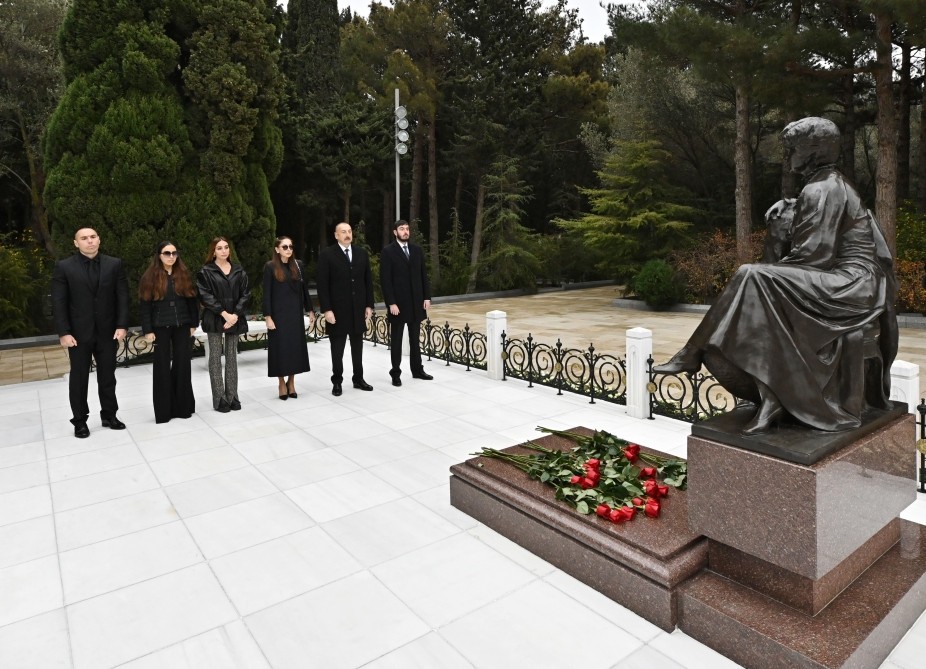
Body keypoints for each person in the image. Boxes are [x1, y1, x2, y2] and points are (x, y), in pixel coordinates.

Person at [654, 117, 896, 435]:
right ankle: (769, 395)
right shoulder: (827, 184)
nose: (788, 155)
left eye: (792, 148)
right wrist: (793, 209)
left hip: (852, 283)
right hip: (851, 281)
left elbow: (813, 258)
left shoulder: (822, 188)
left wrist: (781, 242)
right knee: (756, 280)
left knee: (752, 275)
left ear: (813, 150)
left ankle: (692, 352)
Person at [51, 227, 130, 438]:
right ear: (76, 243)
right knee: (79, 379)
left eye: (93, 237)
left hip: (108, 332)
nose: (89, 241)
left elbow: (122, 297)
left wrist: (122, 325)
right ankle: (79, 421)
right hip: (78, 334)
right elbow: (59, 302)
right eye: (84, 238)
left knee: (108, 377)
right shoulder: (64, 267)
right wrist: (64, 332)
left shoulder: (114, 264)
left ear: (99, 240)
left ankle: (109, 415)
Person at [138, 241, 199, 423]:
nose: (171, 256)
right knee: (162, 368)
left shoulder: (183, 274)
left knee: (183, 365)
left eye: (174, 253)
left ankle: (183, 408)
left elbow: (192, 301)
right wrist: (148, 330)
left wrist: (193, 323)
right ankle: (164, 411)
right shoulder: (150, 277)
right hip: (160, 328)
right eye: (167, 253)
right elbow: (145, 306)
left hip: (182, 326)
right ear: (159, 255)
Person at [316, 221, 374, 396]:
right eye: (343, 232)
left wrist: (369, 305)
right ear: (336, 235)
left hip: (358, 310)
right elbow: (322, 285)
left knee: (358, 348)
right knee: (337, 349)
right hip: (337, 311)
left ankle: (358, 379)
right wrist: (327, 309)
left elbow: (367, 281)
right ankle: (337, 381)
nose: (347, 234)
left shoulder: (361, 253)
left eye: (349, 231)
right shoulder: (327, 255)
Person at [197, 237, 250, 412]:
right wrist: (224, 314)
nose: (224, 251)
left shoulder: (238, 270)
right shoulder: (205, 271)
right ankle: (220, 398)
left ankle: (232, 396)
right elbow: (205, 296)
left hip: (234, 318)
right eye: (219, 248)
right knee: (214, 358)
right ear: (213, 251)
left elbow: (245, 294)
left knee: (232, 357)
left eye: (226, 247)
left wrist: (234, 315)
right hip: (215, 318)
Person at [379, 219, 433, 386]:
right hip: (398, 305)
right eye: (402, 229)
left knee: (415, 339)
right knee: (396, 341)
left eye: (407, 229)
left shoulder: (417, 250)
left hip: (416, 303)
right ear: (395, 232)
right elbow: (385, 280)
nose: (405, 232)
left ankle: (417, 370)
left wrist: (427, 297)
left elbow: (423, 275)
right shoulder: (388, 251)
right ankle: (395, 373)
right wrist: (391, 303)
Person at [263, 236, 315, 400]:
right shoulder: (270, 267)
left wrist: (310, 310)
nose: (288, 250)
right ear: (277, 249)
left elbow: (304, 289)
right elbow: (266, 294)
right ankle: (281, 382)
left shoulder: (298, 265)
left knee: (294, 348)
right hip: (278, 315)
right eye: (284, 247)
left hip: (295, 314)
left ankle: (291, 381)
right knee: (280, 349)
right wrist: (268, 317)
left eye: (291, 247)